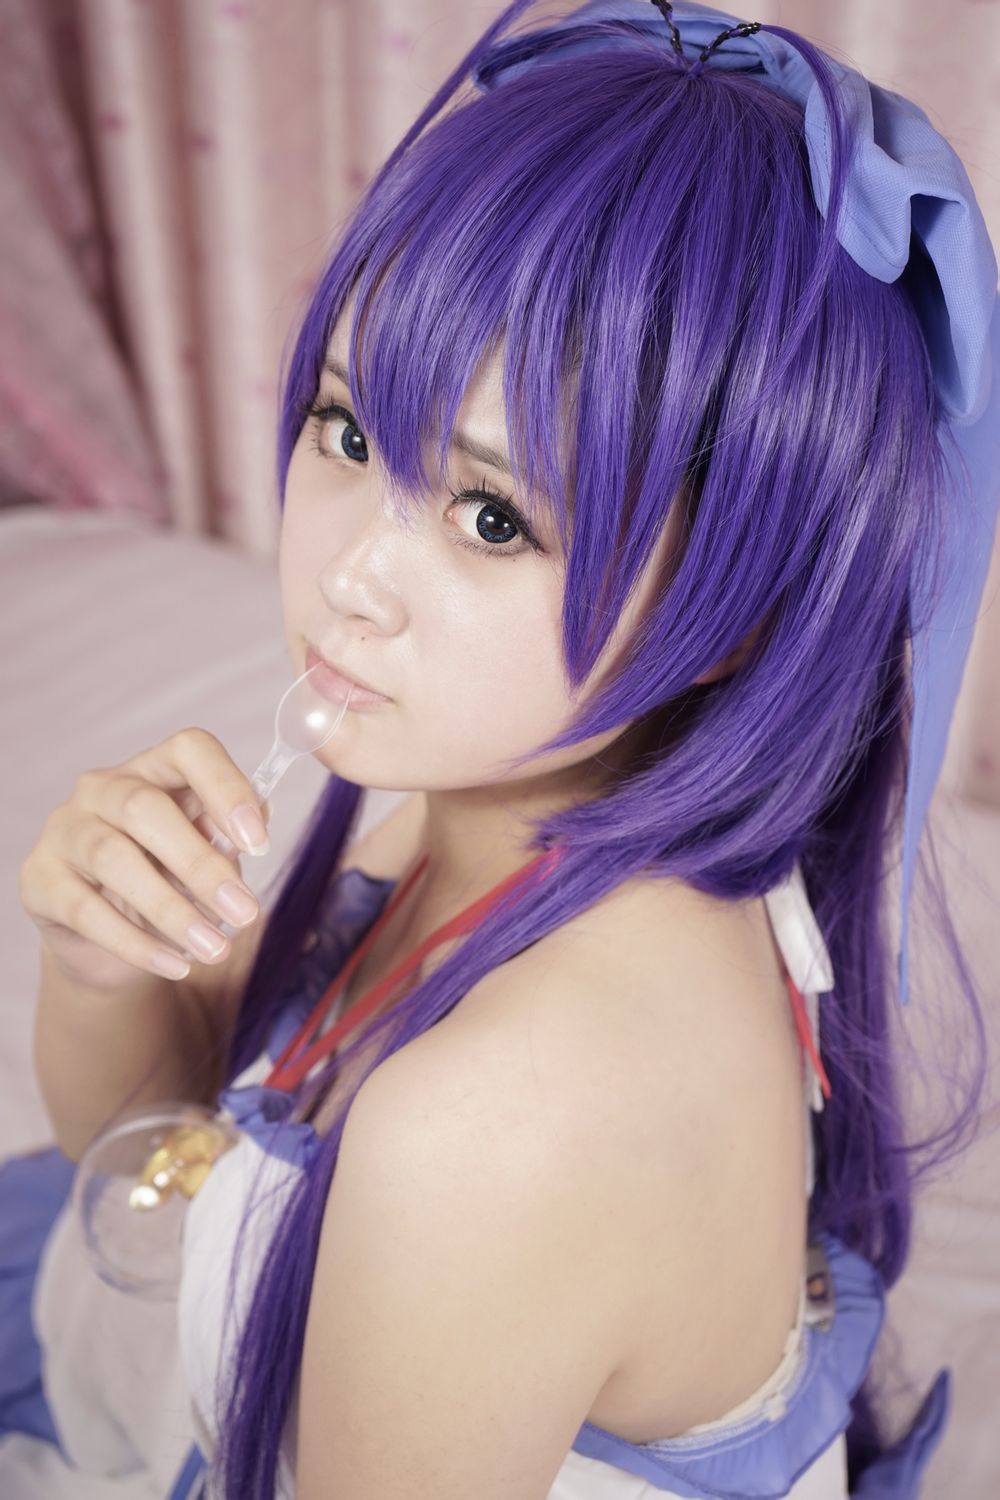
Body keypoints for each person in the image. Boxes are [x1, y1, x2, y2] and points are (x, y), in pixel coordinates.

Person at [2, 1, 996, 1496]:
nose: (352, 578)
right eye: (348, 431)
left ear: (734, 617)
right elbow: (153, 1159)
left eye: (490, 518)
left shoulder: (504, 1116)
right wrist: (102, 970)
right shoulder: (503, 797)